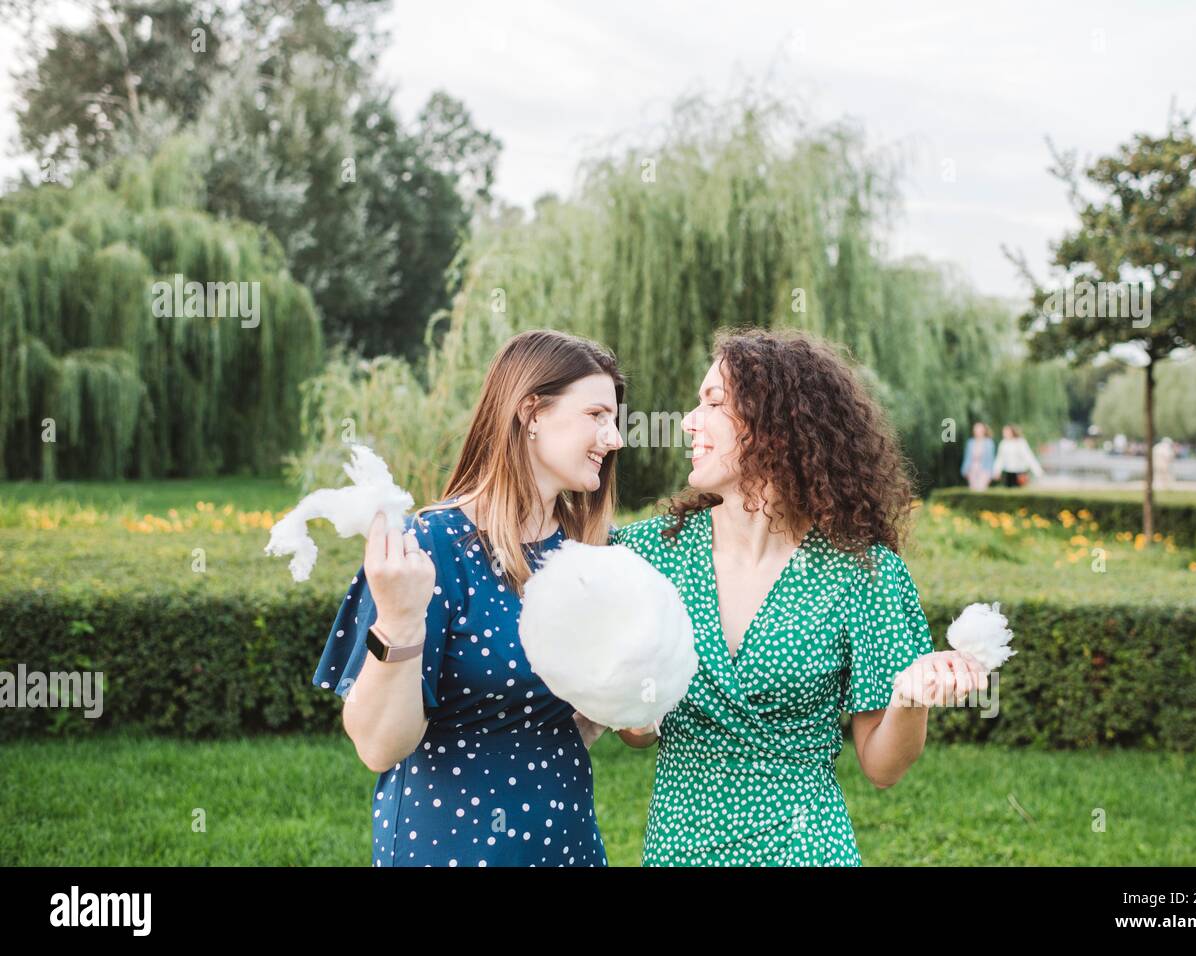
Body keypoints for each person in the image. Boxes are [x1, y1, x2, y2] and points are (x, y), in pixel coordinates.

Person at [611, 328, 988, 865]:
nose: (689, 421)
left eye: (713, 402)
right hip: (682, 846)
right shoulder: (646, 555)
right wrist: (636, 704)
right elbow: (637, 735)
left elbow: (883, 768)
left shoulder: (865, 572)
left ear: (777, 426)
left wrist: (909, 699)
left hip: (806, 848)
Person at [312, 329, 625, 866]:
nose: (614, 437)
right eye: (596, 415)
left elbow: (571, 716)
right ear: (531, 412)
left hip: (567, 842)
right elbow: (379, 747)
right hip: (450, 845)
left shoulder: (589, 552)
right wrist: (401, 620)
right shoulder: (427, 548)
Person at [960, 421, 996, 490]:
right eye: (976, 429)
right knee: (972, 488)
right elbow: (967, 457)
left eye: (979, 429)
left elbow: (990, 458)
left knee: (982, 488)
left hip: (984, 468)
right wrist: (965, 470)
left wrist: (991, 472)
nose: (977, 431)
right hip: (972, 468)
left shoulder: (989, 443)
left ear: (983, 430)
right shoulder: (970, 442)